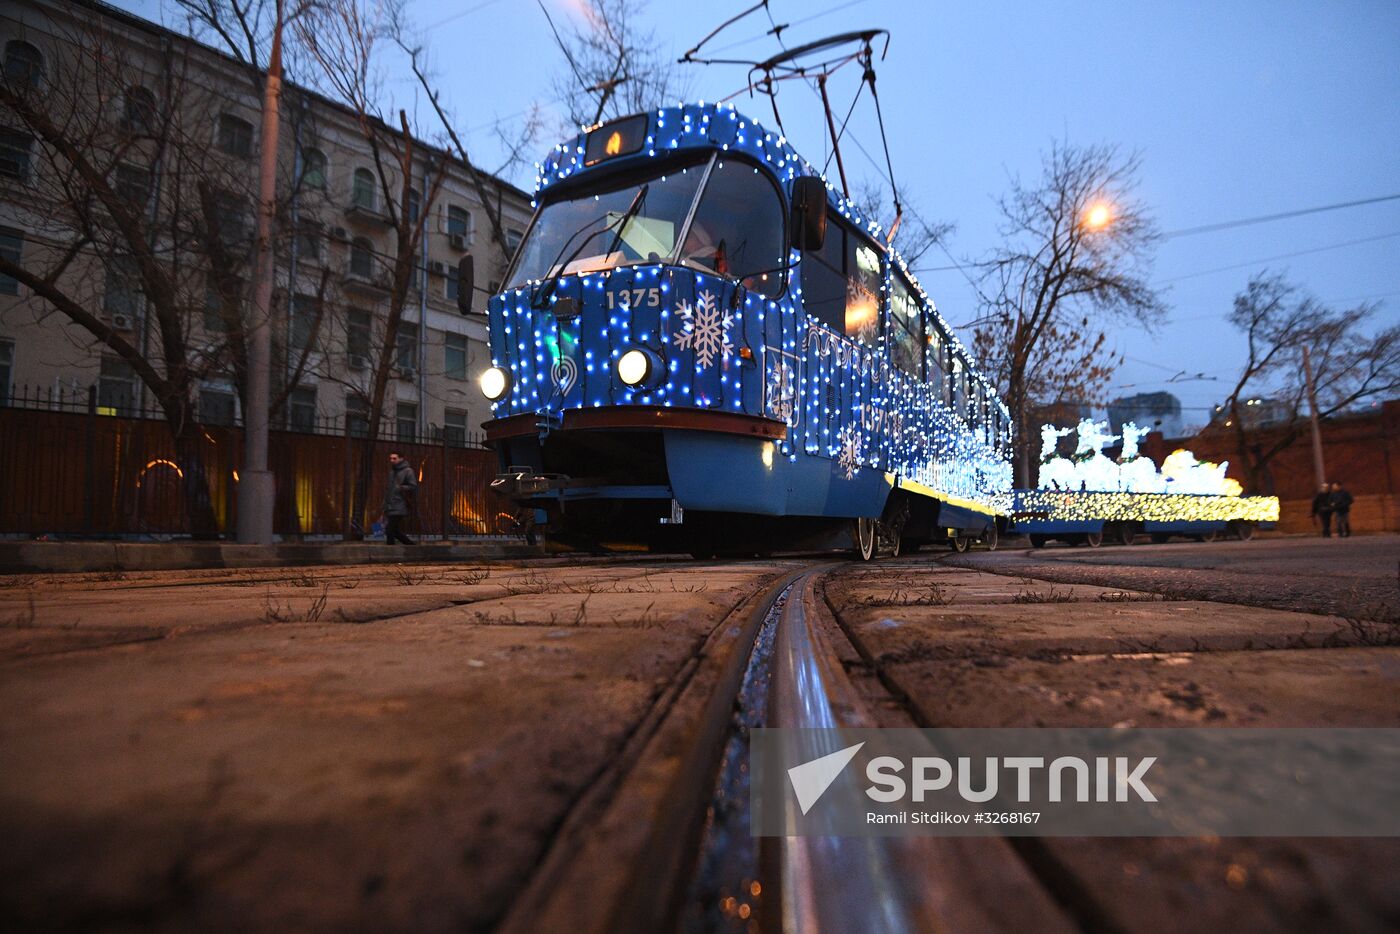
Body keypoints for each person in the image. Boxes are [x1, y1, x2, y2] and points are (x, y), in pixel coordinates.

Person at [380, 452, 419, 545]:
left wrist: (401, 487)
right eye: (391, 458)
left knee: (389, 530)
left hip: (400, 504)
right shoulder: (392, 472)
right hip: (390, 505)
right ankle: (410, 545)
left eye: (394, 458)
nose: (392, 460)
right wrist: (384, 505)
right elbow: (388, 490)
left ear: (401, 459)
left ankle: (391, 548)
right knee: (393, 530)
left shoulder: (408, 471)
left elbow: (413, 486)